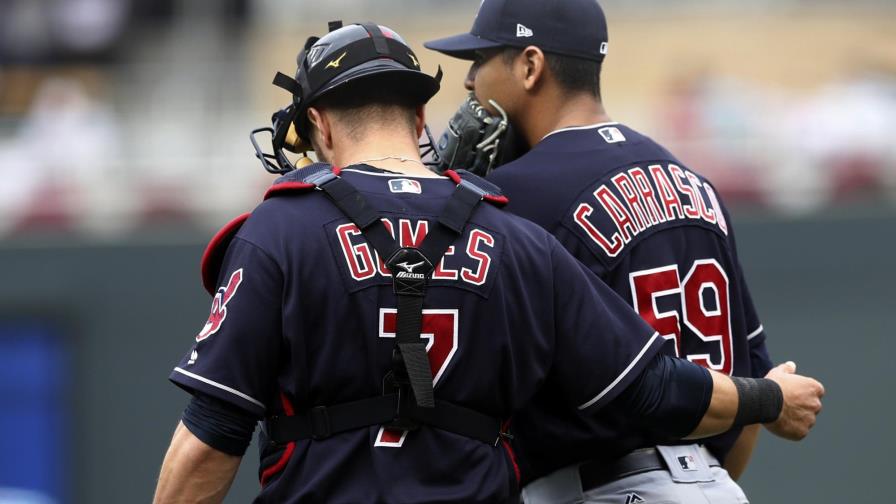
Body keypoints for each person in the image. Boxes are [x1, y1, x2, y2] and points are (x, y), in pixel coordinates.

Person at [153, 20, 823, 504]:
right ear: (421, 118)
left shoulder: (279, 231)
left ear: (320, 123)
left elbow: (211, 438)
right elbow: (653, 388)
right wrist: (765, 397)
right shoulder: (513, 234)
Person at [425, 0, 816, 502]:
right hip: (716, 486)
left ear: (529, 66)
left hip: (592, 489)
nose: (470, 79)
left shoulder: (510, 196)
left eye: (480, 61)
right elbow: (755, 394)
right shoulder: (692, 181)